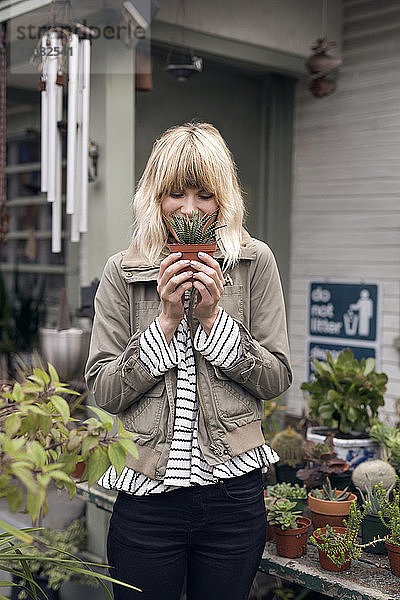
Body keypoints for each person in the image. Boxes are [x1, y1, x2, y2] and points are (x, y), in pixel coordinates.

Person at [85, 121, 292, 600]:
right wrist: (167, 321)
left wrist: (214, 318)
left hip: (232, 495)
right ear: (155, 197)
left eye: (204, 194)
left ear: (223, 200)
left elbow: (277, 375)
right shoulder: (123, 270)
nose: (189, 208)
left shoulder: (254, 262)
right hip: (147, 497)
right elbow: (104, 388)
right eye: (175, 193)